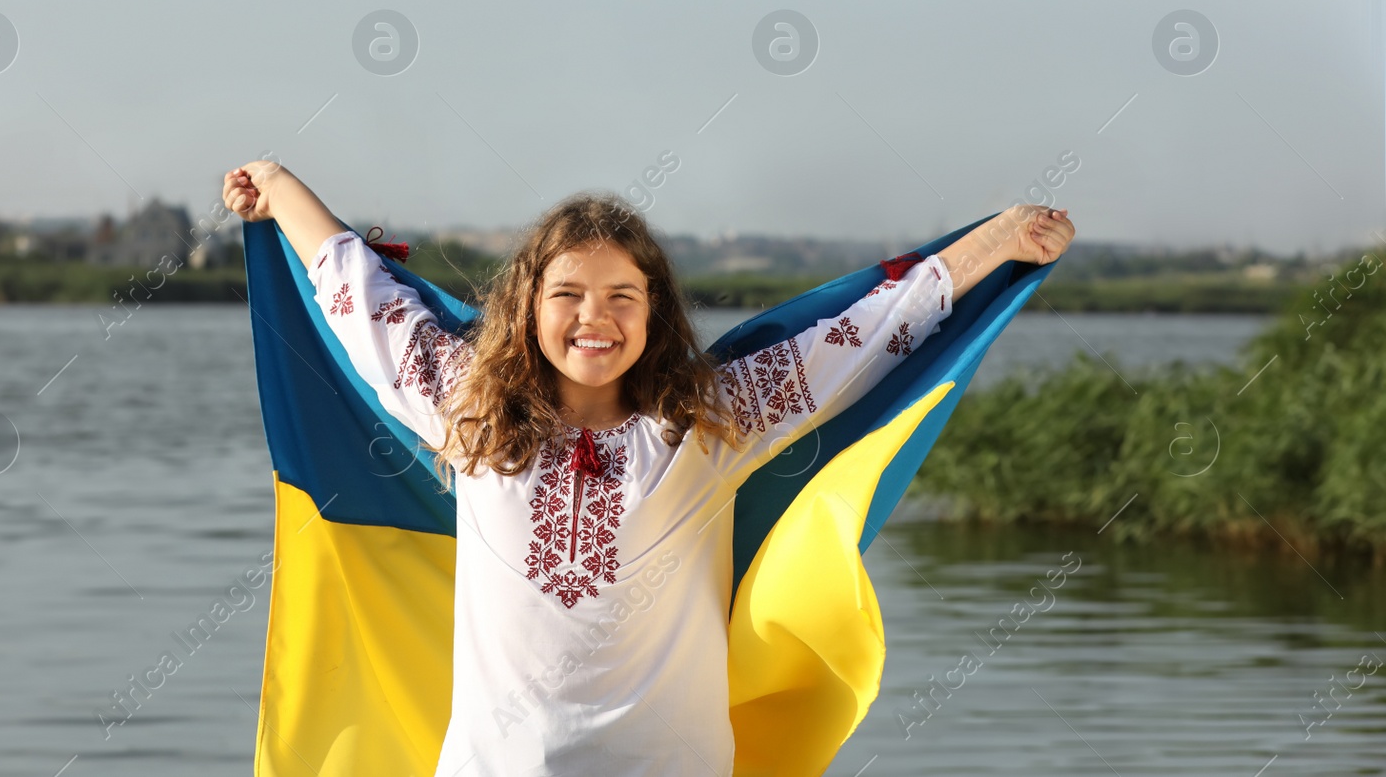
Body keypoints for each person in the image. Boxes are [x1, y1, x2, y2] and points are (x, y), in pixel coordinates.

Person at [223, 159, 1074, 777]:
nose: (595, 318)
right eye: (568, 294)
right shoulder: (468, 412)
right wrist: (279, 183)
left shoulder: (709, 422)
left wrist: (999, 242)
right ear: (528, 307)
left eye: (621, 296)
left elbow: (870, 329)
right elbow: (354, 286)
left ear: (654, 312)